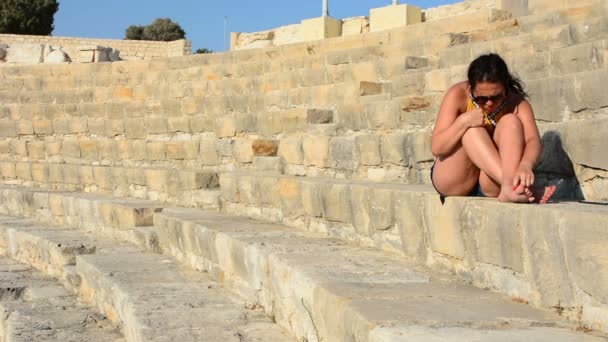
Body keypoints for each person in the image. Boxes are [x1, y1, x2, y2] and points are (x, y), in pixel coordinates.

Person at [430, 53, 555, 203]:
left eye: (495, 97)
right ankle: (512, 186)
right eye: (481, 98)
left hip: (490, 184)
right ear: (470, 89)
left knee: (510, 121)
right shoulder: (457, 94)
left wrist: (526, 165)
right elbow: (437, 147)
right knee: (472, 129)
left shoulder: (517, 103)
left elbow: (533, 140)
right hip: (455, 178)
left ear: (506, 88)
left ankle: (508, 187)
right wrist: (464, 121)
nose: (489, 103)